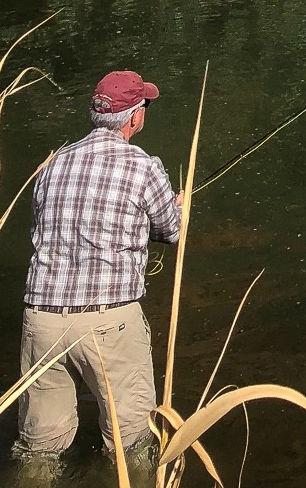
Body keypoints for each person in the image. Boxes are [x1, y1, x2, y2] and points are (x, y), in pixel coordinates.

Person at [12, 69, 182, 466]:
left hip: (42, 320)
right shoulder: (144, 167)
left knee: (38, 450)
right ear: (135, 117)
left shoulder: (52, 166)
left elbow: (44, 230)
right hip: (110, 322)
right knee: (133, 443)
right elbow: (170, 232)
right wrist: (178, 208)